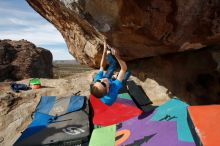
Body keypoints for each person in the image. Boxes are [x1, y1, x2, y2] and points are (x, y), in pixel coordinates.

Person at [90, 40, 130, 106]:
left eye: (99, 81)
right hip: (111, 90)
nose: (102, 80)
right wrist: (117, 56)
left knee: (113, 65)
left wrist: (105, 50)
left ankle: (109, 53)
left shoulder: (98, 81)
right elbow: (123, 69)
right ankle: (116, 78)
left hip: (107, 86)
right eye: (103, 83)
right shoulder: (113, 90)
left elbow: (102, 66)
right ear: (108, 89)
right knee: (128, 72)